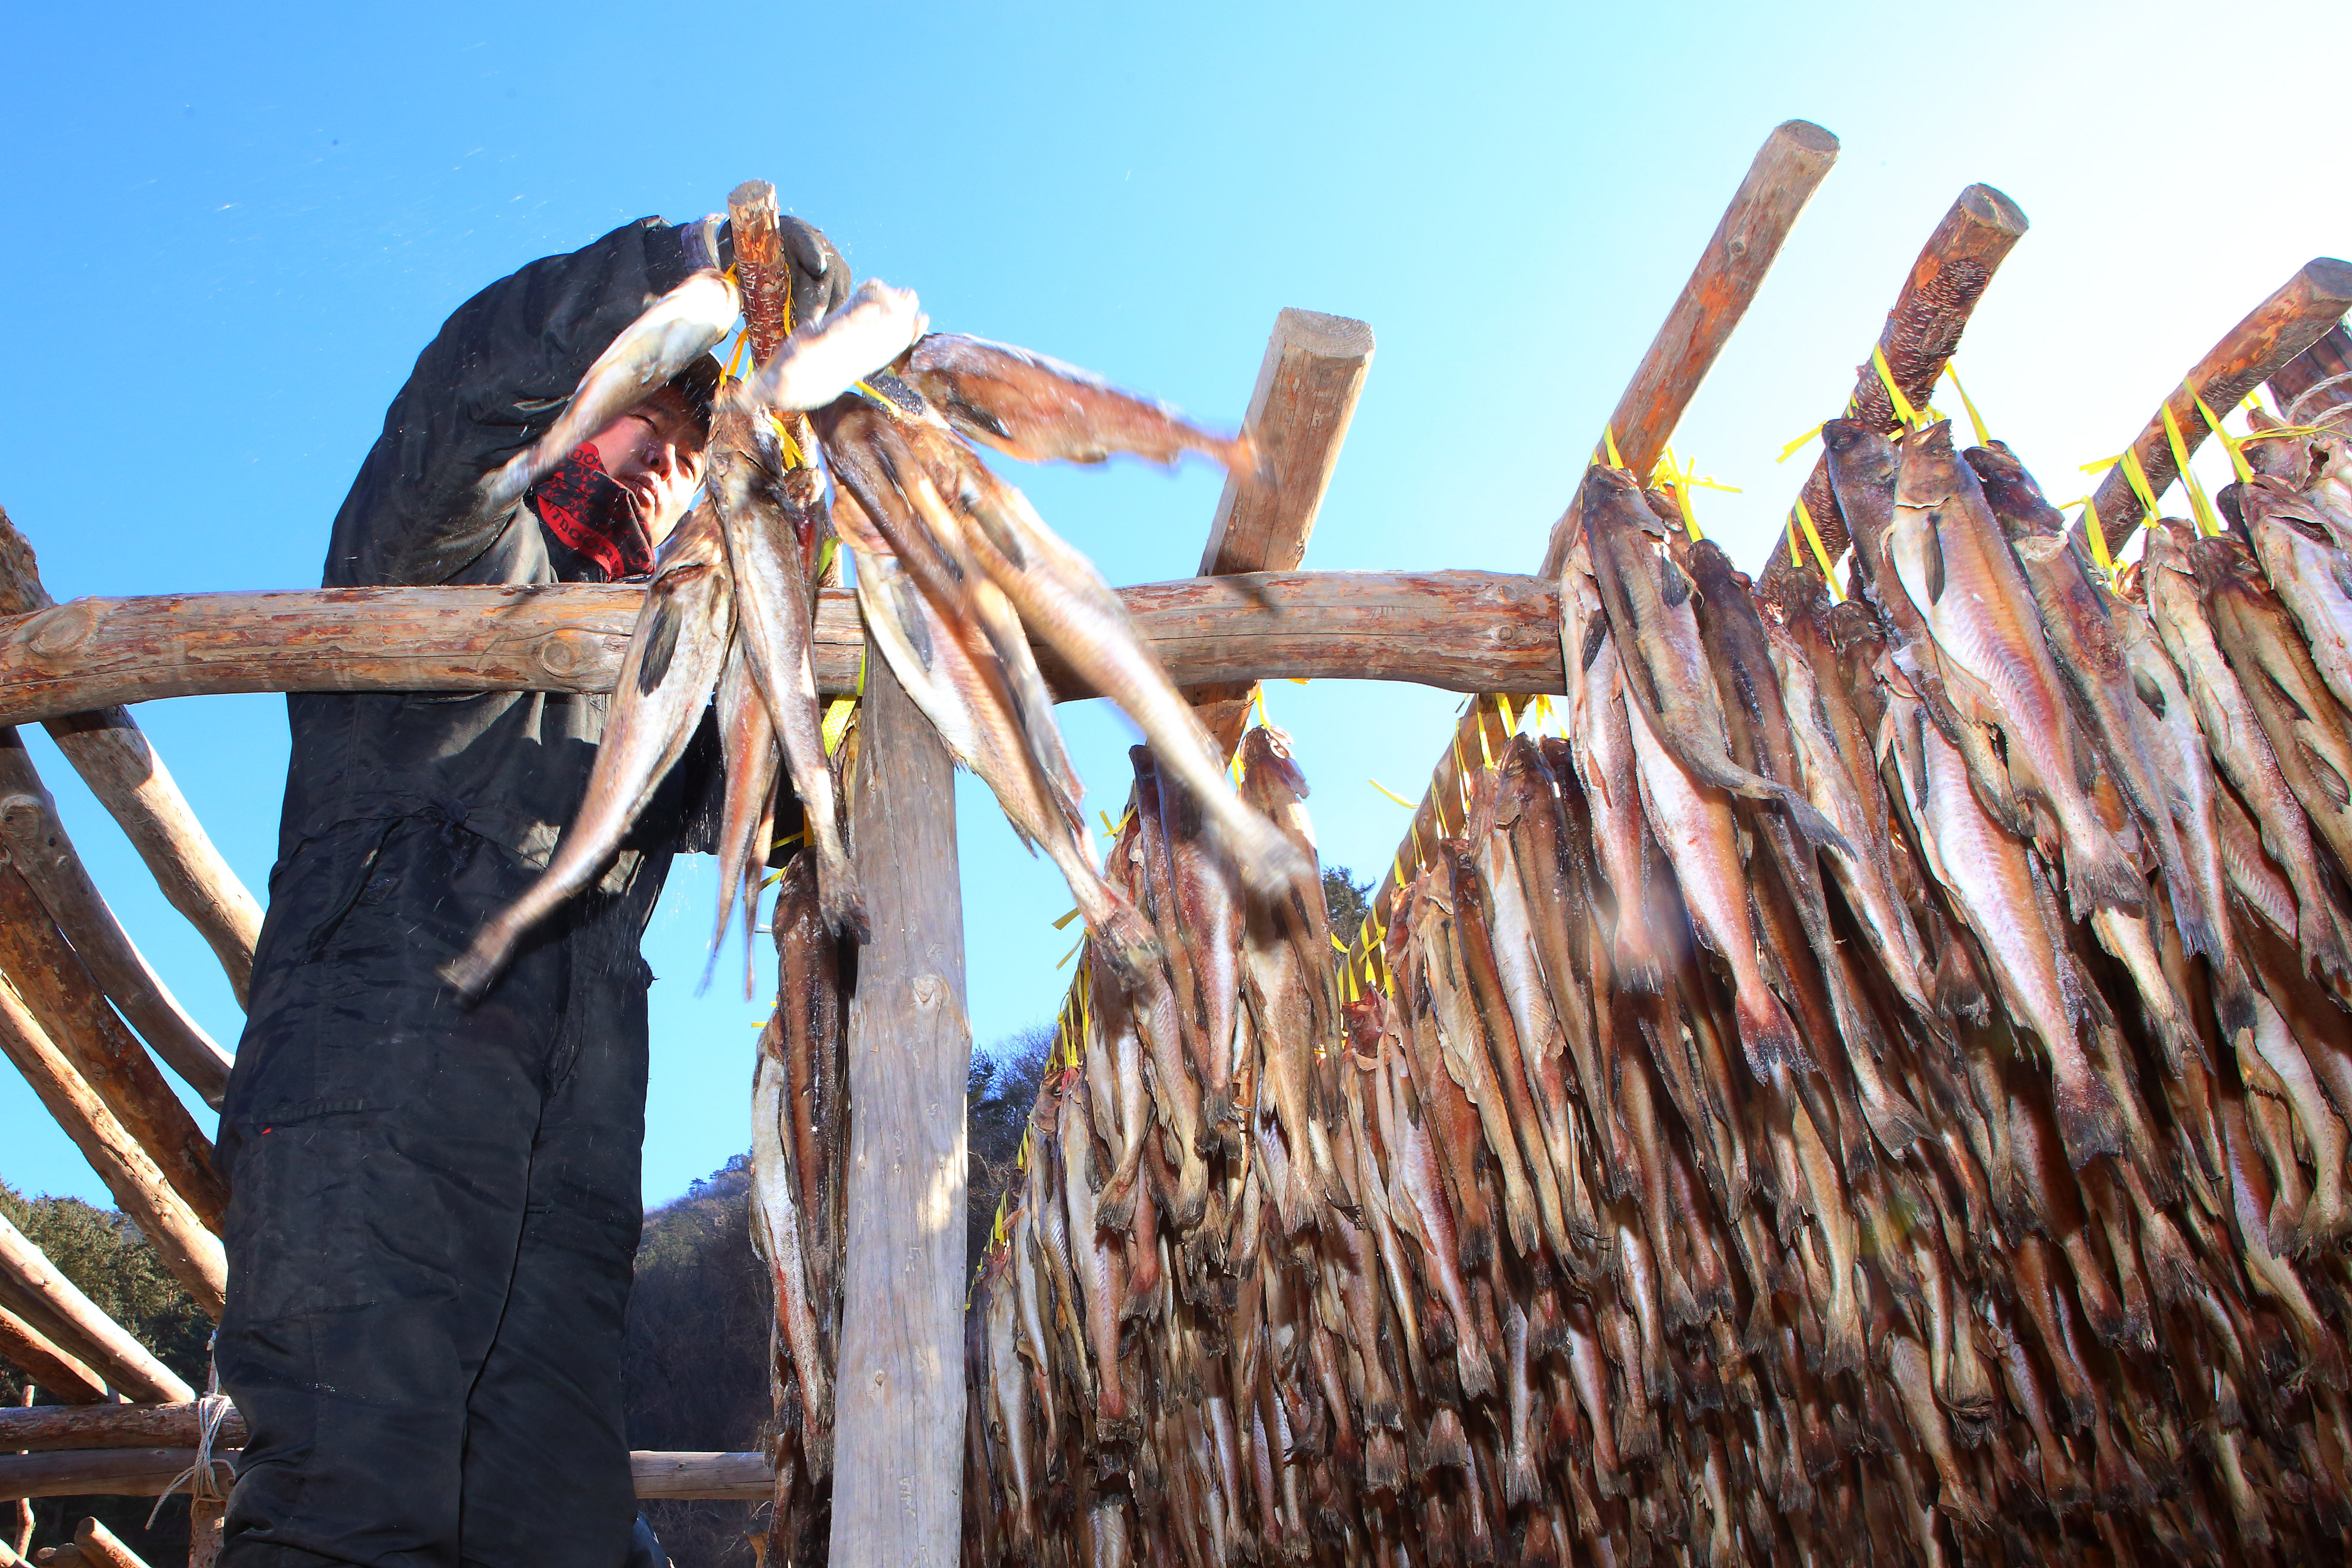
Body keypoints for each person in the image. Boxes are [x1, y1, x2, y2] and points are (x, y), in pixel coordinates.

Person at [212, 212, 850, 1568]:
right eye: (647, 420)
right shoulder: (451, 559)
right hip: (372, 1099)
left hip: (571, 1160)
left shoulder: (651, 682)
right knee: (348, 1504)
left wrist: (811, 570)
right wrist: (688, 268)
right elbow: (465, 397)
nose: (667, 458)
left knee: (563, 1531)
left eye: (690, 452)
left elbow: (781, 807)